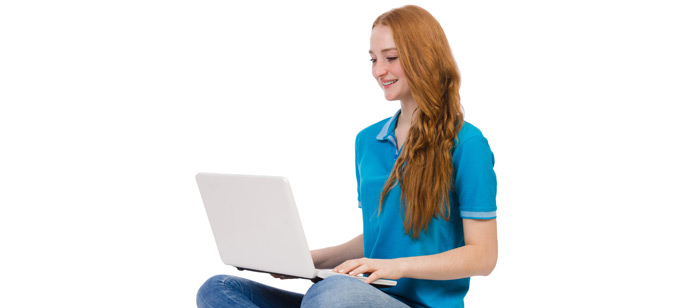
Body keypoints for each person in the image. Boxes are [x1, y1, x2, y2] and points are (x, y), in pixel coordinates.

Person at [196, 5, 497, 308]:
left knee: (333, 293)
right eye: (373, 59)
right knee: (219, 288)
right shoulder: (367, 141)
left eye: (391, 58)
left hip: (414, 304)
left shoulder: (467, 144)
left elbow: (483, 255)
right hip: (358, 297)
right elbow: (379, 236)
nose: (379, 70)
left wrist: (398, 266)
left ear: (425, 57)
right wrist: (305, 261)